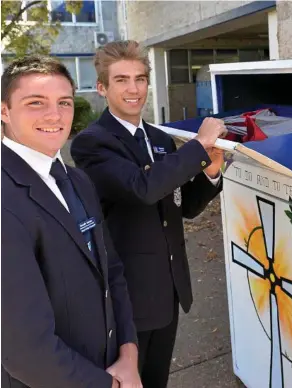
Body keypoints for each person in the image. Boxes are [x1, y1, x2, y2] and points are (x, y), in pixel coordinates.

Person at [70, 40, 227, 388]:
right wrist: (198, 147)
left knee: (157, 380)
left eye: (140, 79)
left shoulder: (159, 138)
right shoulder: (93, 143)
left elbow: (182, 206)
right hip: (127, 296)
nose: (133, 89)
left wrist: (210, 172)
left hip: (168, 288)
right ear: (102, 87)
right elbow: (143, 188)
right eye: (122, 80)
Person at [1, 56, 141, 388]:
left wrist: (129, 355)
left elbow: (112, 272)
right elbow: (25, 350)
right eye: (36, 103)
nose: (54, 115)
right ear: (3, 111)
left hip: (112, 365)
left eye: (64, 102)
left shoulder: (76, 181)